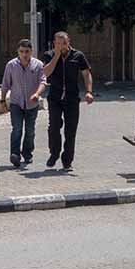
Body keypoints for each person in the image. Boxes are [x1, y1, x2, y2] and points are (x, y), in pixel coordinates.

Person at [42, 31, 93, 172]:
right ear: (54, 44)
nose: (61, 46)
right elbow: (45, 73)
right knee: (54, 127)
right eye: (58, 43)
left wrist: (88, 92)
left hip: (72, 98)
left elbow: (86, 74)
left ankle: (67, 160)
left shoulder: (78, 56)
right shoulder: (49, 55)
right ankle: (54, 154)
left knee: (70, 131)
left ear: (68, 42)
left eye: (63, 43)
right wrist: (57, 56)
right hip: (55, 98)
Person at [0, 39, 47, 168]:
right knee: (17, 129)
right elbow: (5, 84)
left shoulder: (38, 65)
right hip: (16, 103)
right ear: (18, 52)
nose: (24, 54)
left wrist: (37, 94)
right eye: (21, 51)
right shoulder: (11, 65)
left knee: (30, 131)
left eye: (27, 51)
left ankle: (27, 153)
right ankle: (15, 155)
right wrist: (3, 100)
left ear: (31, 51)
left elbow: (43, 82)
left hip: (32, 104)